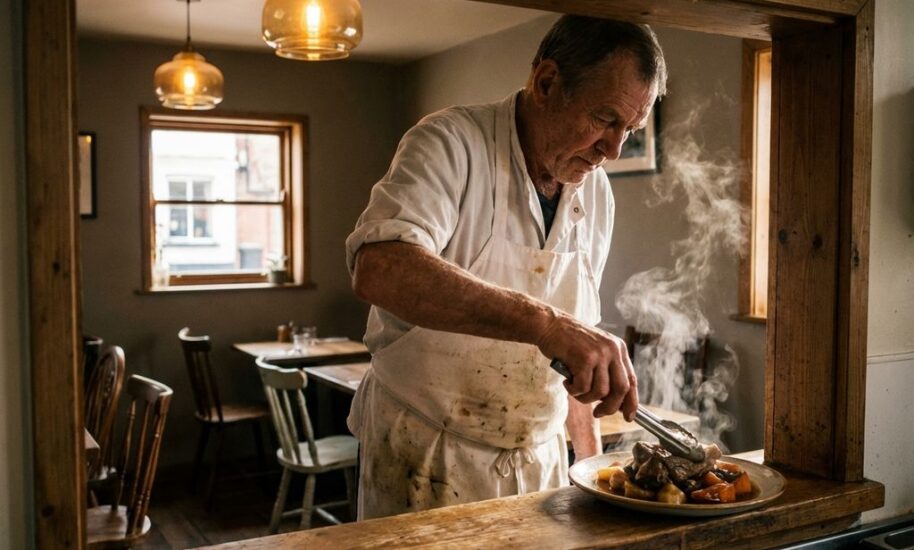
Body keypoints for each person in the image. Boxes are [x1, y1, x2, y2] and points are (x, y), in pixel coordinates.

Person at [345, 15, 667, 519]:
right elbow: (381, 267)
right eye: (605, 119)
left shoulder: (596, 193)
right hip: (426, 452)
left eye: (631, 129)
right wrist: (546, 324)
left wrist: (591, 466)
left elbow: (574, 351)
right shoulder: (451, 142)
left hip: (540, 461)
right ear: (546, 83)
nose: (614, 149)